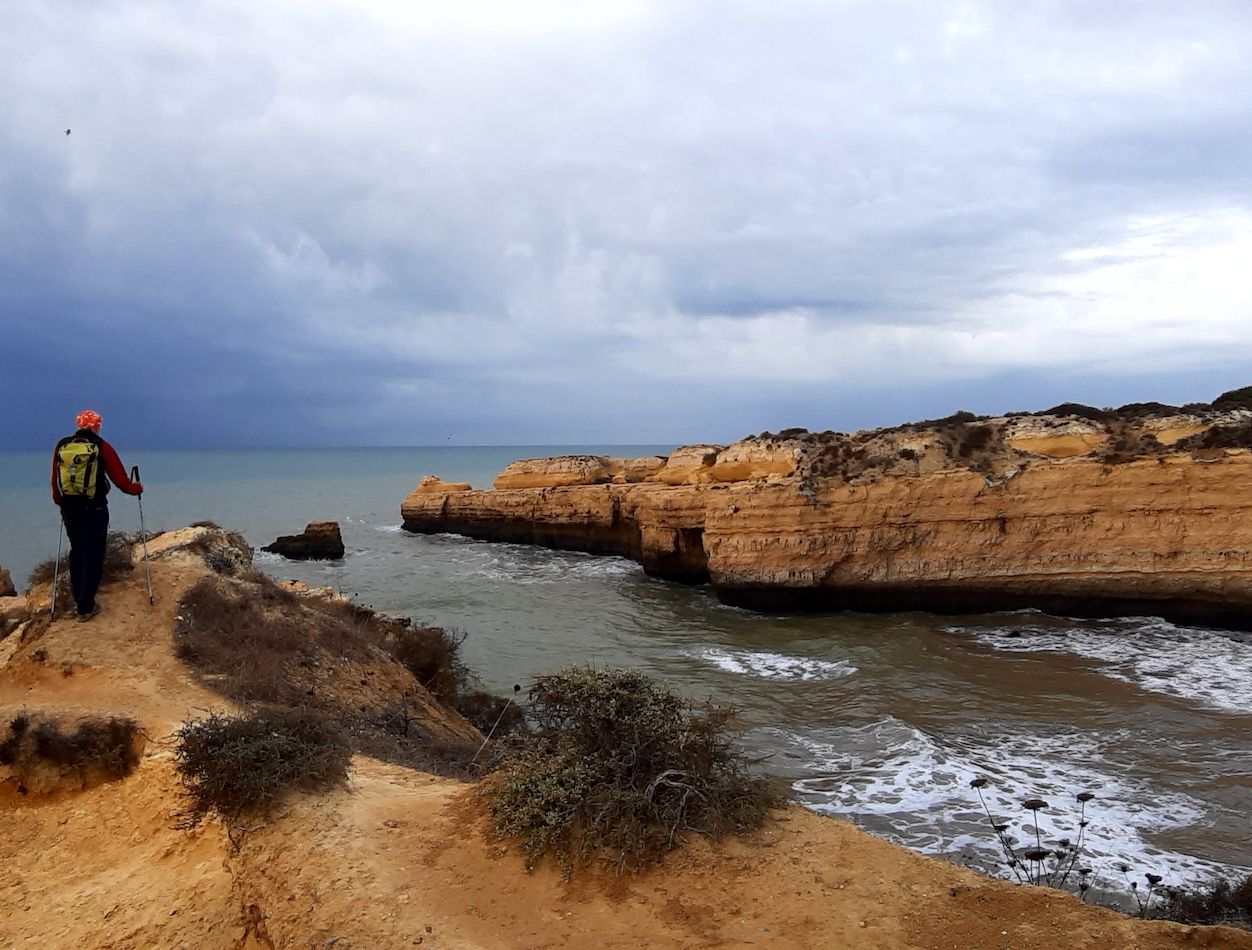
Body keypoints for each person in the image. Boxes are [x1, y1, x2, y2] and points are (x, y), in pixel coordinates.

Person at [50, 410, 143, 621]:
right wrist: (136, 489)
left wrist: (60, 501)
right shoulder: (102, 447)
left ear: (78, 425)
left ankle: (78, 600)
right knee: (93, 554)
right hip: (95, 508)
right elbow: (121, 480)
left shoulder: (62, 446)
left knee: (77, 550)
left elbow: (54, 478)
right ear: (97, 426)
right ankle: (86, 606)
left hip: (69, 507)